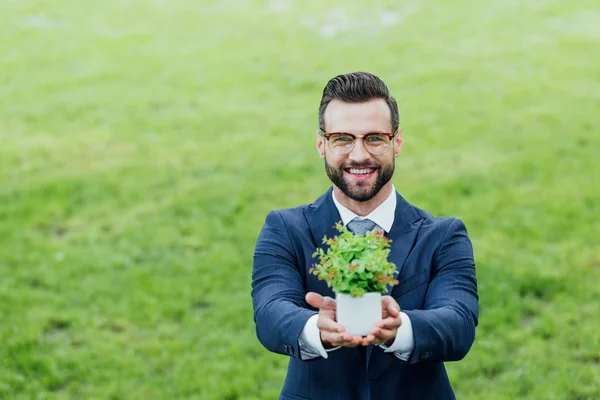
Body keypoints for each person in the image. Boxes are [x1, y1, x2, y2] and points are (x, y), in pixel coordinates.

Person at [251, 72, 479, 400]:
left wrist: (400, 330)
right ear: (321, 144)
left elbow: (458, 322)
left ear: (396, 142)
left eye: (374, 138)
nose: (359, 155)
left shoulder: (444, 236)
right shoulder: (284, 229)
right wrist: (317, 329)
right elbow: (271, 311)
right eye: (342, 138)